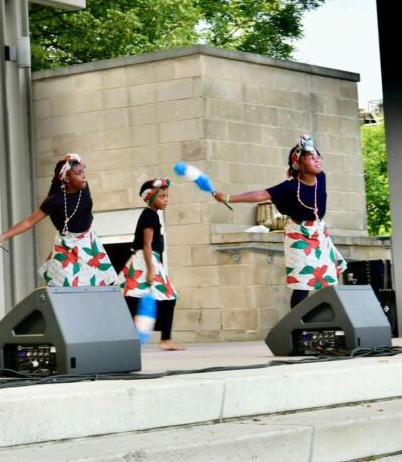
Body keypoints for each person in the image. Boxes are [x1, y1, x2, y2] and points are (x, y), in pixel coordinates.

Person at [212, 134, 346, 308]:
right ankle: (298, 326)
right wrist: (228, 198)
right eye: (311, 158)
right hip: (299, 234)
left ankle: (331, 318)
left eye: (318, 157)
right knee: (302, 284)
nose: (317, 160)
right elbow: (260, 194)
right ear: (299, 164)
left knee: (329, 277)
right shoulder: (289, 188)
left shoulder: (322, 178)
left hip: (319, 231)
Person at [0, 154, 117, 287]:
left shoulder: (84, 187)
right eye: (78, 173)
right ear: (67, 178)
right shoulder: (55, 201)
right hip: (66, 244)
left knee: (94, 284)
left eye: (83, 171)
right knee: (66, 285)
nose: (83, 176)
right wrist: (2, 236)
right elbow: (29, 222)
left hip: (87, 240)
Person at [120, 178, 183, 351]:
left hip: (145, 260)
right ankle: (165, 339)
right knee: (168, 296)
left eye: (167, 196)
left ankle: (136, 335)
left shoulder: (152, 214)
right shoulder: (149, 215)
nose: (166, 199)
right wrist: (151, 269)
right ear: (150, 197)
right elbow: (147, 244)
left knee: (134, 297)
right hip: (145, 260)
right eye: (162, 196)